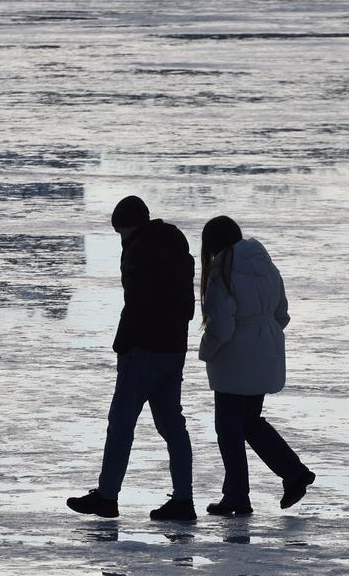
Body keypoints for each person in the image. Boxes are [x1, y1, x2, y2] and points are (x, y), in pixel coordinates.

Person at [68, 196, 196, 521]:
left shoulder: (140, 249)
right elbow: (186, 301)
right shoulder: (175, 243)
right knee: (173, 426)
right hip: (174, 347)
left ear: (125, 226)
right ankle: (184, 499)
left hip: (144, 351)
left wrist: (122, 344)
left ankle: (107, 497)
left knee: (121, 424)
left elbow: (138, 303)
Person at [197, 216, 314, 516]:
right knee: (249, 421)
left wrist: (207, 351)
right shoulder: (265, 265)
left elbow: (221, 324)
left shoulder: (222, 270)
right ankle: (293, 472)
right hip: (265, 352)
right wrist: (262, 338)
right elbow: (282, 314)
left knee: (229, 428)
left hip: (235, 358)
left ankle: (237, 495)